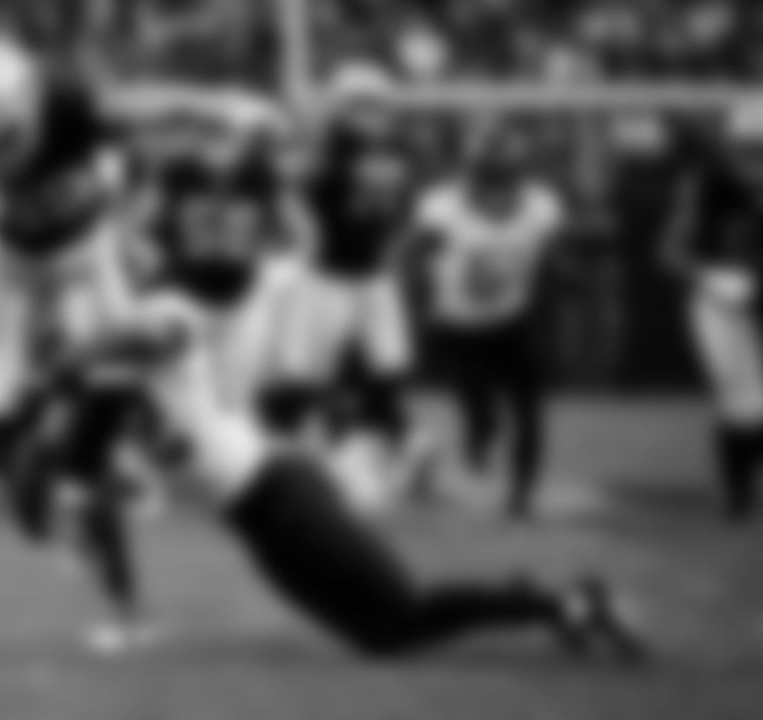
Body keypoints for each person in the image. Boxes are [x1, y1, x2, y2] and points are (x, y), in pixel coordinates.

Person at [59, 256, 646, 662]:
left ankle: (570, 603)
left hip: (282, 490)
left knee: (405, 609)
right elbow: (86, 490)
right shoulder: (102, 391)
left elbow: (145, 335)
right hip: (254, 527)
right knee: (383, 638)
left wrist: (59, 367)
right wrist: (124, 603)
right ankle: (530, 598)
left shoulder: (163, 319)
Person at [0, 34, 145, 651]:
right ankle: (49, 472)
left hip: (84, 252)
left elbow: (124, 152)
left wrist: (118, 195)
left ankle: (113, 567)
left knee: (111, 396)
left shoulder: (68, 101)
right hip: (4, 263)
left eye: (1, 141)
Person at [402, 125, 568, 519]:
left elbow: (551, 255)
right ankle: (479, 438)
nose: (496, 190)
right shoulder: (442, 208)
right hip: (457, 324)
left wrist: (560, 273)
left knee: (529, 405)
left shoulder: (540, 207)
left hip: (513, 318)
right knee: (479, 408)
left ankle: (521, 494)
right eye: (488, 178)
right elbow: (409, 255)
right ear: (472, 175)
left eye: (504, 178)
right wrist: (415, 297)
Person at [279, 65, 426, 502]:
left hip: (363, 276)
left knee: (384, 372)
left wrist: (395, 248)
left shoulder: (382, 148)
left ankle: (387, 448)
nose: (371, 113)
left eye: (375, 103)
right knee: (310, 377)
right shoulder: (334, 148)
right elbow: (290, 187)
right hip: (331, 274)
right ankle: (369, 448)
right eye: (361, 104)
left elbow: (406, 210)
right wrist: (303, 227)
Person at [662, 126, 763, 522]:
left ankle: (741, 486)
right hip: (722, 302)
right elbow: (669, 253)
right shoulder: (705, 189)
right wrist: (713, 278)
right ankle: (738, 491)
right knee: (744, 402)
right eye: (748, 152)